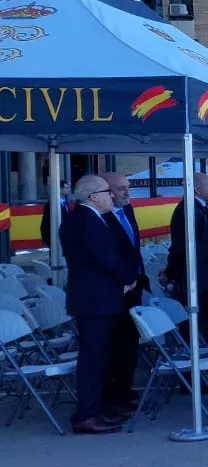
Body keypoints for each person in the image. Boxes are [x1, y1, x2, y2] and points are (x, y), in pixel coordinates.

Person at [58, 175, 141, 433]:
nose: (112, 196)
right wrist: (129, 277)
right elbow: (104, 257)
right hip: (94, 301)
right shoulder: (86, 221)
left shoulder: (85, 219)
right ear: (93, 196)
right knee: (94, 358)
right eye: (107, 192)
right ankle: (87, 414)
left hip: (97, 298)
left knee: (101, 356)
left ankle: (99, 407)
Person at [100, 171, 147, 412]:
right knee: (115, 343)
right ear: (105, 191)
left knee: (130, 341)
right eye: (120, 188)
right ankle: (113, 395)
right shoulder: (99, 218)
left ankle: (125, 389)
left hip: (134, 286)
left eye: (127, 187)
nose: (126, 192)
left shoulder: (128, 210)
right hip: (115, 289)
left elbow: (133, 247)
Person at [164, 170, 208, 346]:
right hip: (196, 281)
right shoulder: (189, 211)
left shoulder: (200, 209)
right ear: (197, 190)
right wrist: (171, 272)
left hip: (203, 279)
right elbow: (182, 248)